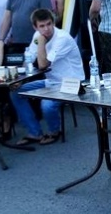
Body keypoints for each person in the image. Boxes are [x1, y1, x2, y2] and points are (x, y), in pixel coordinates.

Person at [9, 9, 85, 146]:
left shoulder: (62, 38)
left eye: (49, 24)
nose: (46, 29)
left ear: (53, 22)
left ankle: (54, 132)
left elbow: (43, 65)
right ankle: (34, 132)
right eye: (42, 26)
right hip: (52, 81)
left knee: (46, 104)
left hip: (72, 82)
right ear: (35, 27)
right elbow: (29, 60)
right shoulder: (38, 36)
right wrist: (19, 80)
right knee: (15, 92)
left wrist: (41, 42)